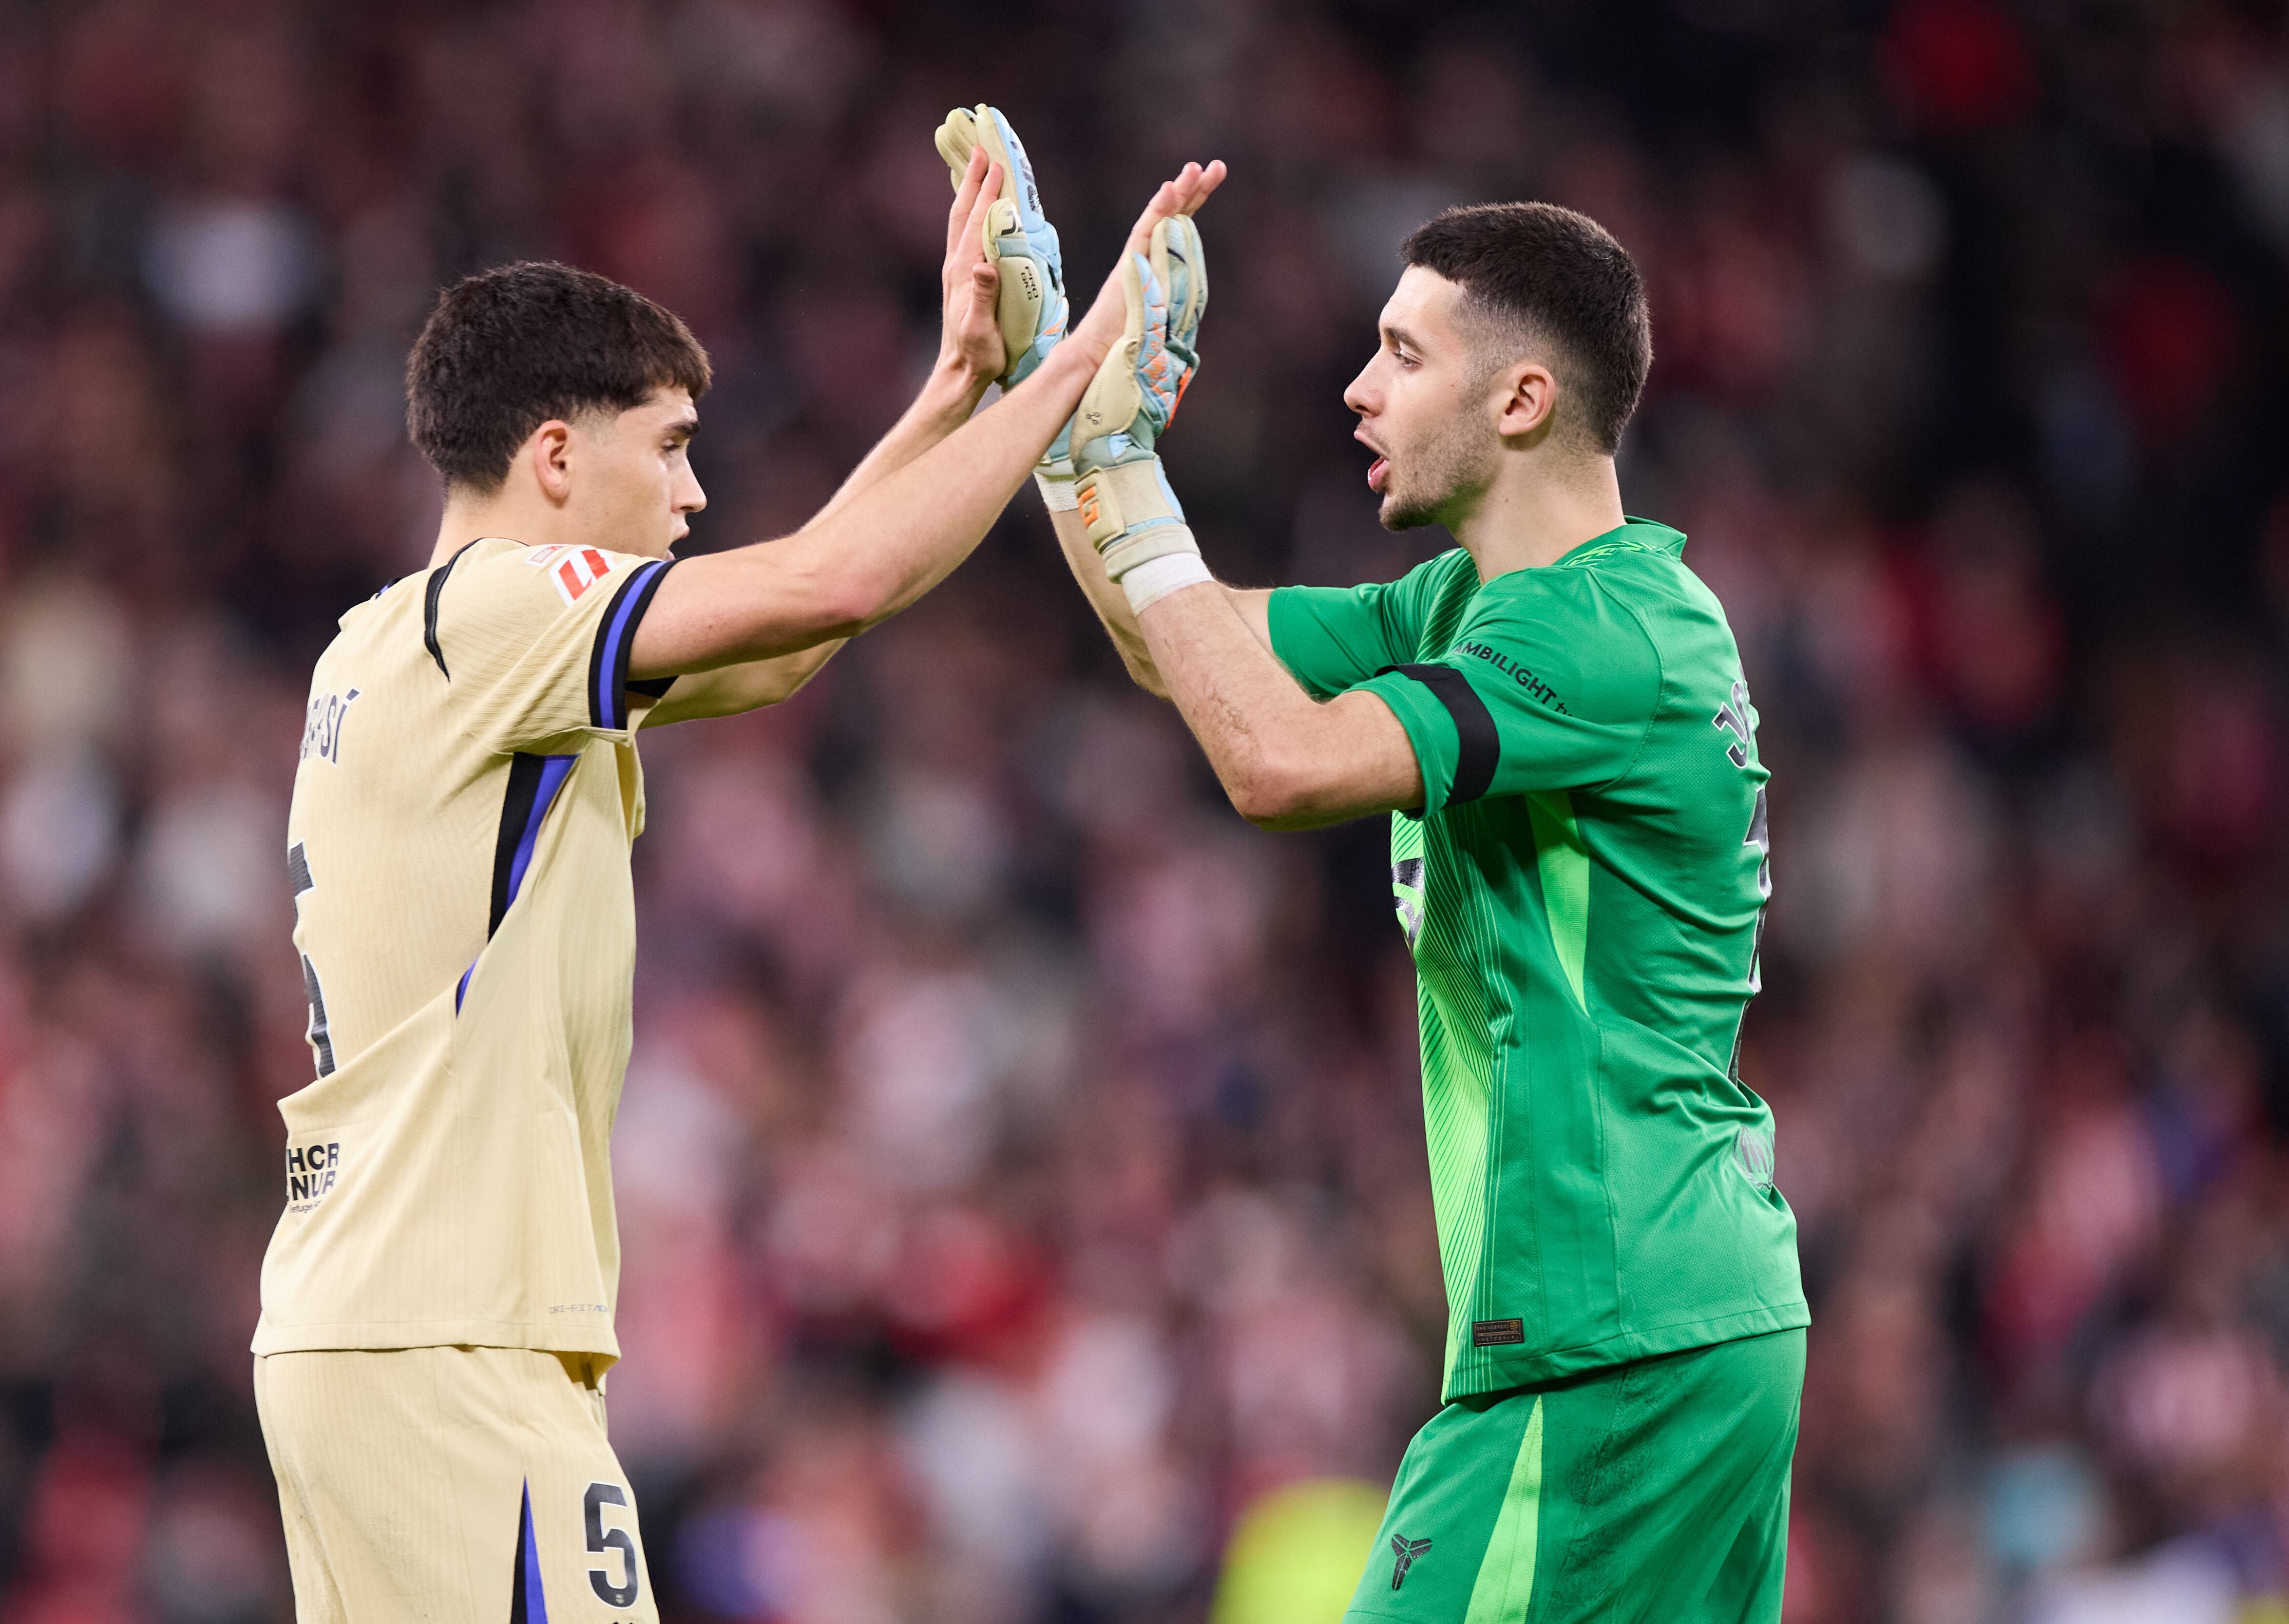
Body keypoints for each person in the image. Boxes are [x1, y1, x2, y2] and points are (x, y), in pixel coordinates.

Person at [252, 120, 1221, 1621]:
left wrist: (959, 381)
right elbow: (829, 579)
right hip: (456, 1343)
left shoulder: (402, 644)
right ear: (556, 458)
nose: (696, 499)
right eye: (674, 450)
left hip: (374, 1326)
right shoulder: (499, 611)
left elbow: (795, 635)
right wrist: (1076, 365)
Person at [1037, 190, 1808, 1620]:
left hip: (1602, 1339)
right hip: (1677, 1317)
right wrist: (1069, 424)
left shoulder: (1596, 635)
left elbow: (1273, 763)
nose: (1358, 385)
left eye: (1403, 352)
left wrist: (1128, 473)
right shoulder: (1473, 605)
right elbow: (1181, 651)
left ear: (1521, 399)